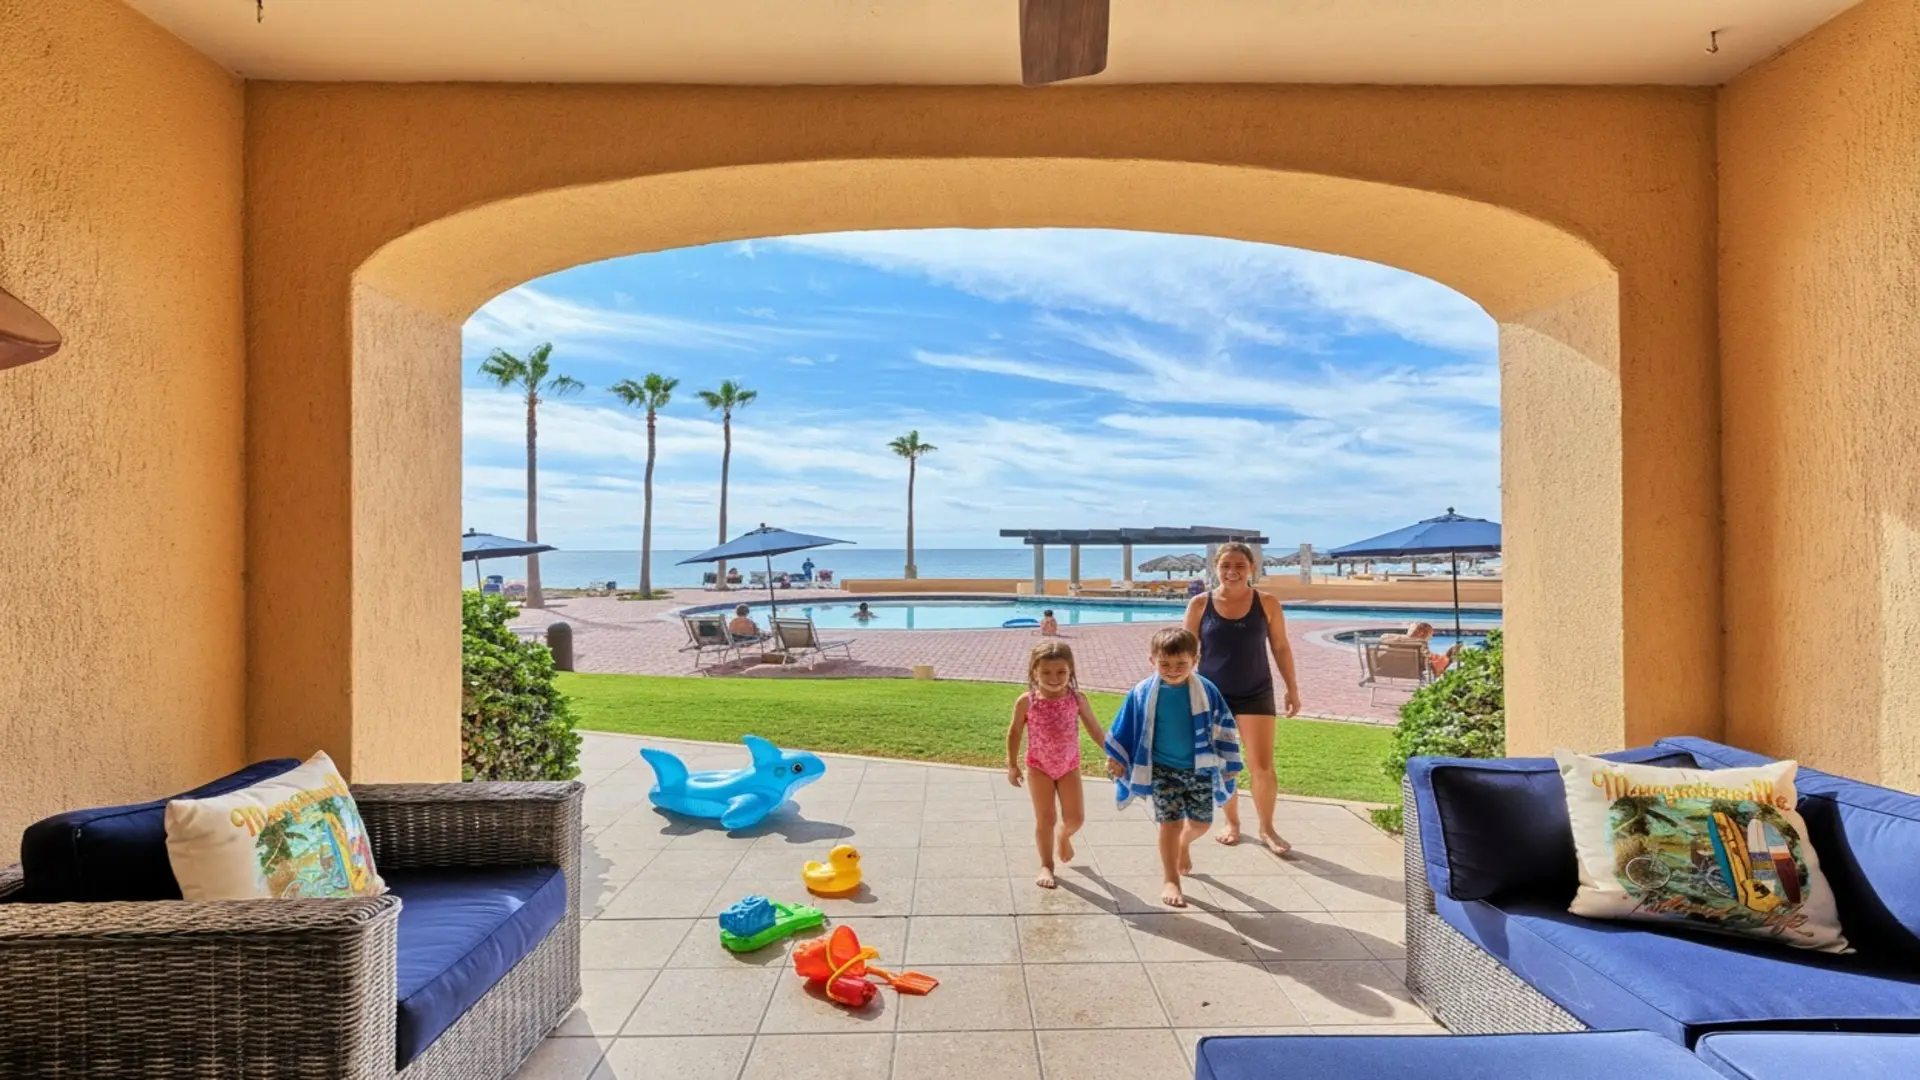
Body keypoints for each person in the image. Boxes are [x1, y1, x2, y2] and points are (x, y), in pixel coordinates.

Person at [1102, 627, 1241, 907]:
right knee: (1169, 824)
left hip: (1200, 768)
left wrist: (1230, 759)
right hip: (1162, 770)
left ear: (1195, 660)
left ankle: (1183, 844)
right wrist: (1115, 758)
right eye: (1164, 664)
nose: (1173, 670)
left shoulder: (1207, 691)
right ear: (1152, 660)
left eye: (1181, 664)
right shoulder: (1142, 693)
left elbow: (1222, 724)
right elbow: (1126, 726)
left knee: (1201, 824)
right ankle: (1171, 880)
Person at [1184, 542, 1302, 856]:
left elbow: (1280, 647)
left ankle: (1267, 828)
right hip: (1212, 695)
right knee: (1224, 765)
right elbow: (1186, 652)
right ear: (1216, 568)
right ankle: (1232, 822)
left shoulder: (1267, 603)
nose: (1232, 571)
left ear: (1251, 568)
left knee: (1262, 765)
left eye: (1239, 565)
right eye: (1226, 565)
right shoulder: (1199, 604)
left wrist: (1292, 687)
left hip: (1256, 691)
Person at [1006, 642, 1107, 889]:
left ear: (1071, 670)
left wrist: (1113, 754)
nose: (1054, 678)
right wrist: (1012, 765)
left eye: (1061, 672)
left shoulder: (1077, 699)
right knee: (1045, 818)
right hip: (1038, 766)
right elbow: (1015, 732)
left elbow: (1095, 730)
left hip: (1068, 766)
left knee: (1075, 819)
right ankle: (1046, 865)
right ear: (1034, 672)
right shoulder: (1027, 701)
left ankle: (1064, 835)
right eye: (1046, 672)